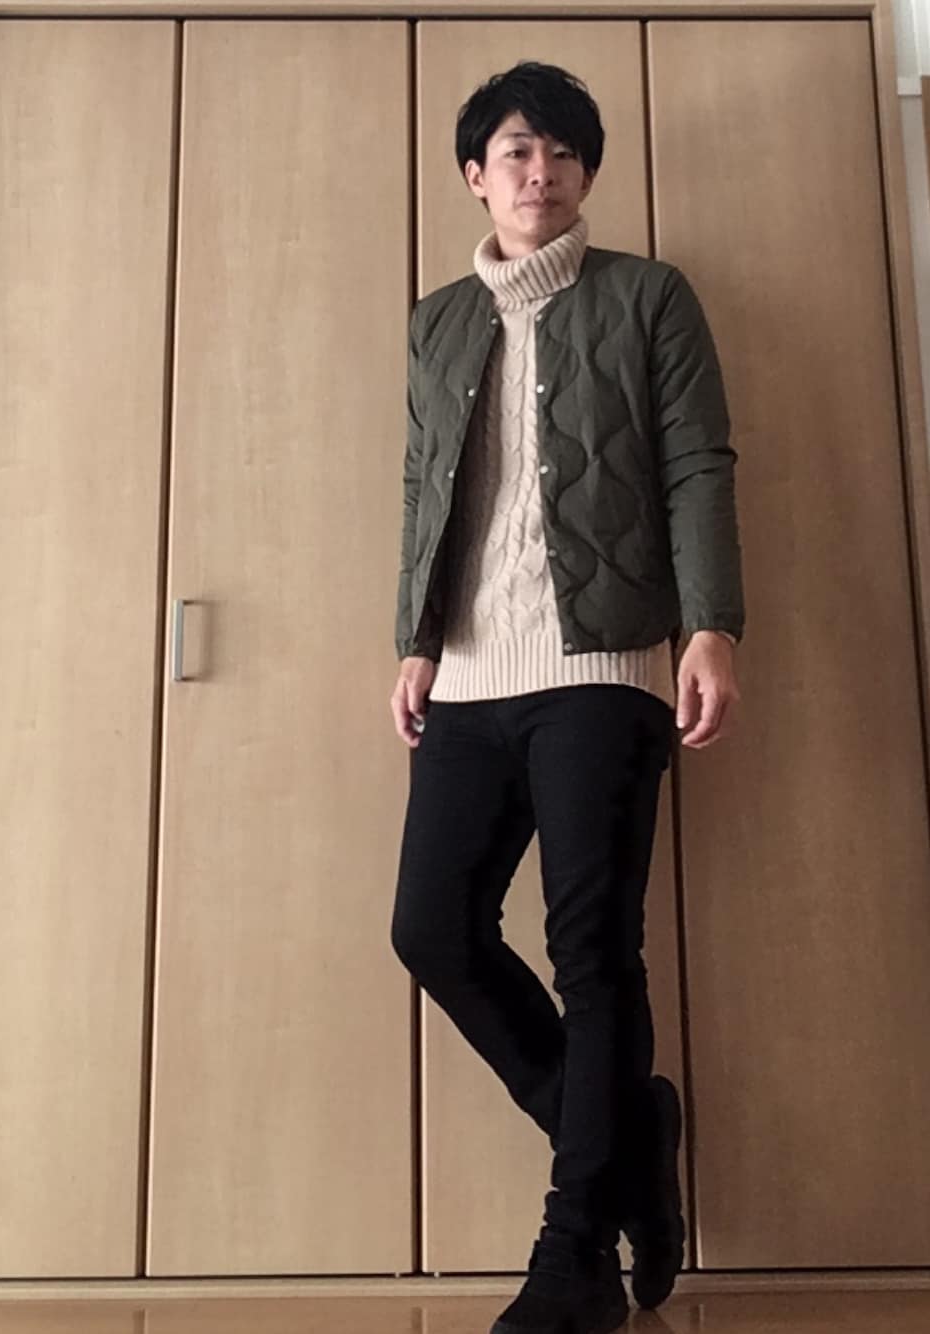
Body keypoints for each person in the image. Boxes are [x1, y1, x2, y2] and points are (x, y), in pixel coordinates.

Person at [389, 60, 744, 1334]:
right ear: (474, 175)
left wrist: (712, 625)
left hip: (603, 664)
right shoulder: (436, 321)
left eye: (562, 153)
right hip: (469, 670)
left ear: (586, 172)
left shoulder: (648, 296)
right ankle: (633, 1143)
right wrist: (413, 638)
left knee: (593, 953)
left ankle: (573, 1251)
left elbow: (698, 461)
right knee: (433, 927)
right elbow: (425, 486)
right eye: (516, 151)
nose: (540, 173)